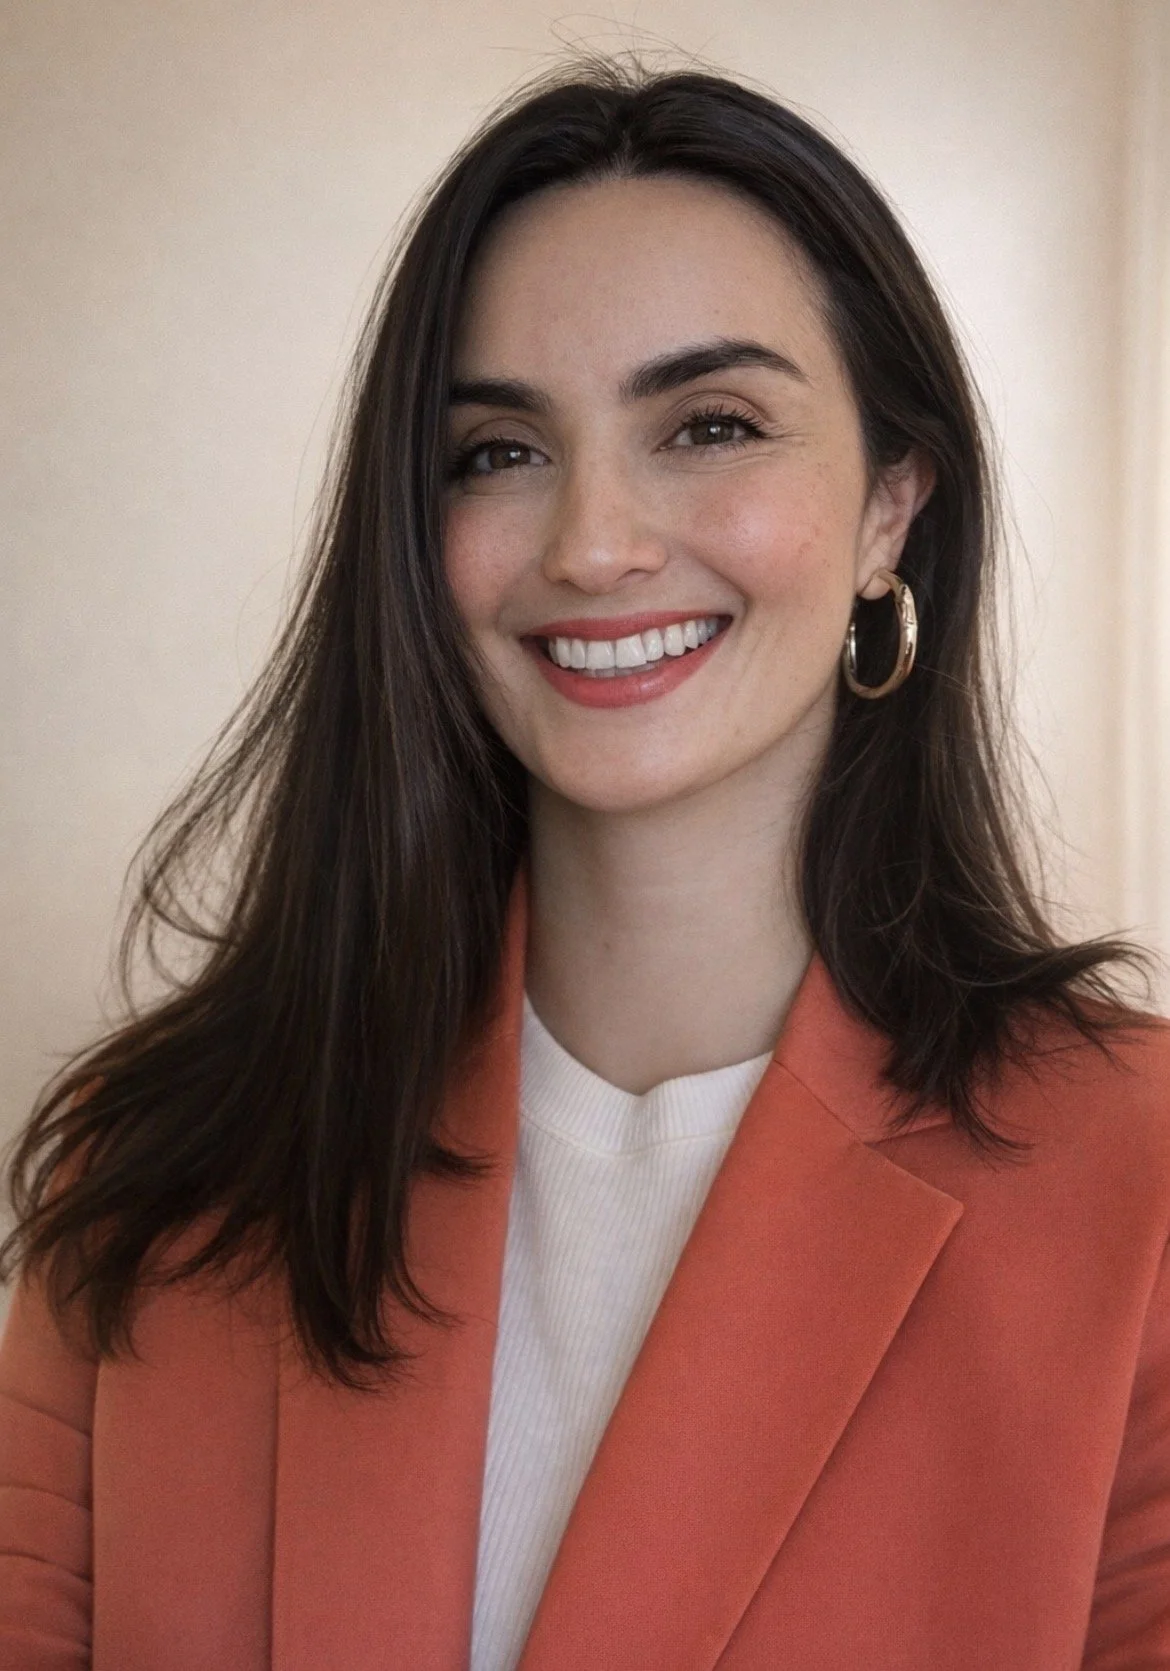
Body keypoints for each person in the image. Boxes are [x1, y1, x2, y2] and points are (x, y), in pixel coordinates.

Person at [0, 52, 1167, 1671]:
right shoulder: (154, 1171)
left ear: (890, 507)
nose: (594, 544)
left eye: (710, 425)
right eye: (498, 450)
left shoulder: (1137, 1182)